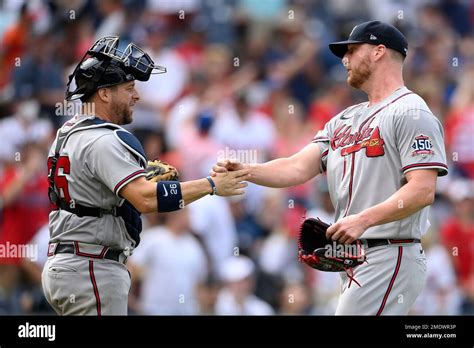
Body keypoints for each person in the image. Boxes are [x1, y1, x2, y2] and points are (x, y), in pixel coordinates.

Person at [213, 21, 448, 315]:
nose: (344, 59)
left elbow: (423, 189)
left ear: (378, 52)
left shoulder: (411, 111)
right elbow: (297, 166)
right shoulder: (344, 119)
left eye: (352, 50)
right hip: (354, 257)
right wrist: (246, 170)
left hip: (391, 251)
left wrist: (363, 220)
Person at [42, 36, 249, 316]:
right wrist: (211, 185)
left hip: (69, 265)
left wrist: (135, 183)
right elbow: (145, 200)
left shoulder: (67, 132)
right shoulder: (104, 140)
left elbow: (97, 194)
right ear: (104, 93)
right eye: (129, 88)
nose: (137, 96)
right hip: (91, 267)